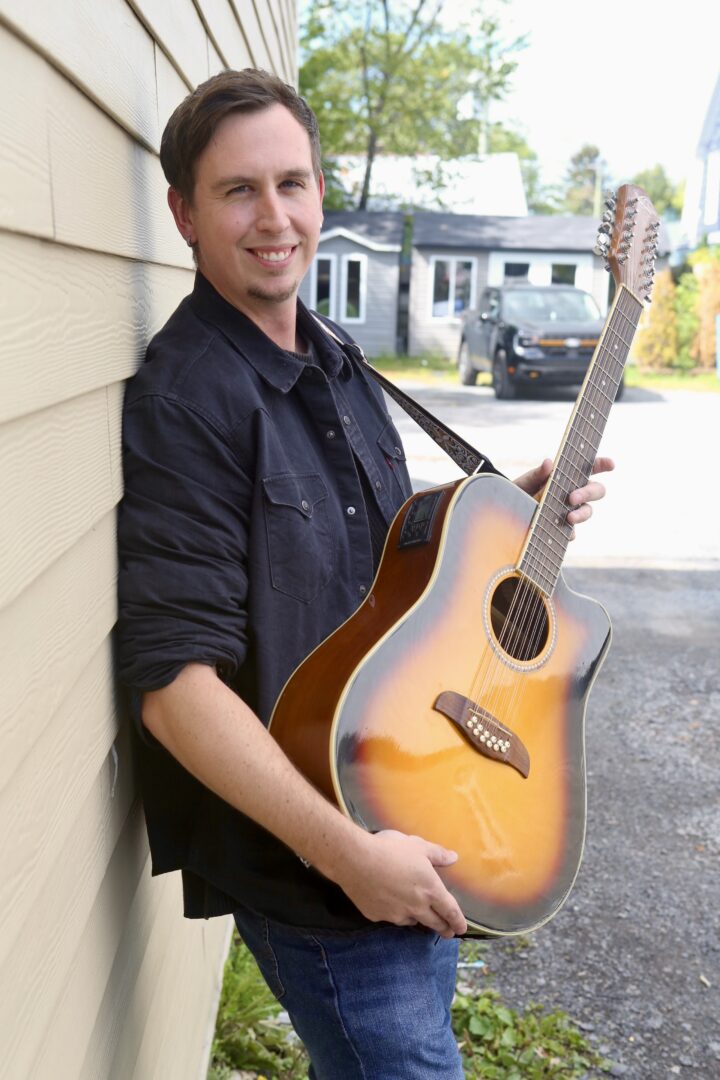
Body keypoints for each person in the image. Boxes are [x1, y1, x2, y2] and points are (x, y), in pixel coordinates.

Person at [117, 69, 613, 1079]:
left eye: (292, 183)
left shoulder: (332, 352)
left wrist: (507, 509)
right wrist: (350, 856)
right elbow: (175, 689)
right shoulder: (191, 400)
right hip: (321, 868)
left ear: (321, 193)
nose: (275, 218)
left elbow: (378, 556)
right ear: (184, 213)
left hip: (410, 801)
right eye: (238, 190)